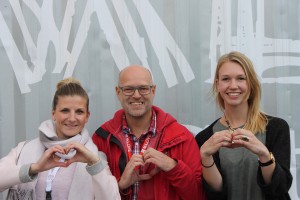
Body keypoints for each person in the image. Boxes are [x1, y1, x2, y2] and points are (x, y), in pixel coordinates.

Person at [92, 65, 206, 200]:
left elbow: (198, 195)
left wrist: (173, 167)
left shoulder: (181, 136)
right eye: (128, 89)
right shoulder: (102, 138)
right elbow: (91, 194)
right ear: (118, 92)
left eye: (143, 88)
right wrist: (120, 185)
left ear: (153, 90)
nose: (136, 95)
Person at [0, 78, 120, 200]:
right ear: (53, 114)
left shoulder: (95, 158)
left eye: (79, 112)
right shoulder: (23, 149)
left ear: (87, 116)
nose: (72, 118)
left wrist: (94, 165)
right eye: (65, 111)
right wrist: (34, 168)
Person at [195, 51, 293, 200]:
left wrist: (264, 154)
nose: (233, 86)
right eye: (226, 79)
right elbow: (215, 194)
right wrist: (205, 156)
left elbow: (280, 187)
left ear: (250, 83)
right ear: (217, 84)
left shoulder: (276, 128)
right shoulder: (206, 138)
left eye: (241, 78)